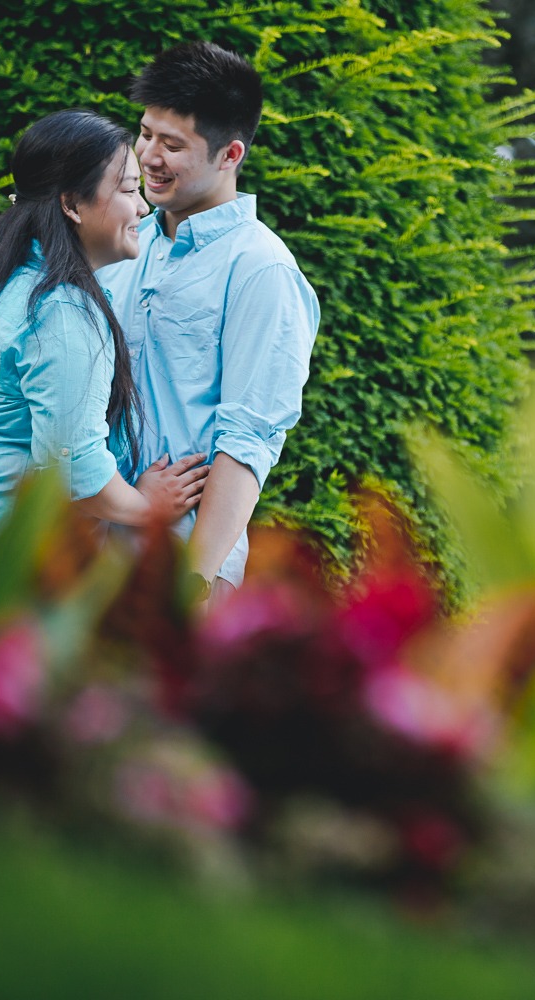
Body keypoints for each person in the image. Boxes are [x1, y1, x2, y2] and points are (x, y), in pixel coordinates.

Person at [0, 109, 210, 589]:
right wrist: (147, 506)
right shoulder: (61, 311)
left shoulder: (0, 281)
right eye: (128, 189)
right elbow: (76, 472)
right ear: (72, 204)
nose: (143, 208)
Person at [97, 41, 320, 607]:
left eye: (173, 145)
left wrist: (192, 582)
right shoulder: (121, 240)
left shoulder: (261, 270)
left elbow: (249, 441)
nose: (148, 155)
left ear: (230, 154)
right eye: (145, 133)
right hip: (86, 552)